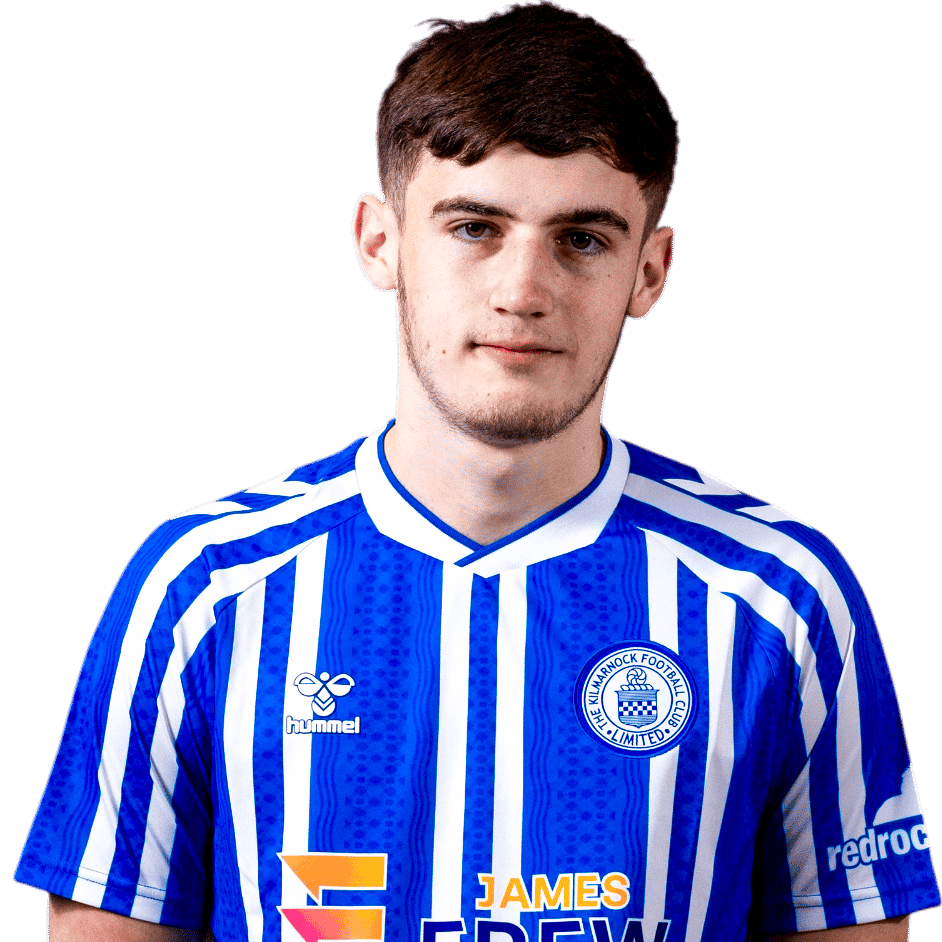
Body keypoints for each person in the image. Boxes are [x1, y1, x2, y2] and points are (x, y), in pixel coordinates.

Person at [14, 2, 940, 940]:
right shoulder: (202, 589)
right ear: (379, 241)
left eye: (582, 239)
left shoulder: (780, 596)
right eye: (473, 227)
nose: (522, 291)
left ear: (651, 271)